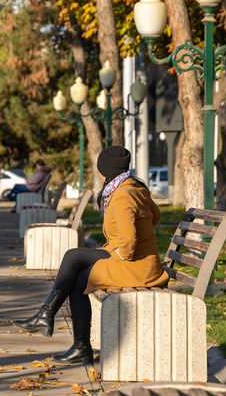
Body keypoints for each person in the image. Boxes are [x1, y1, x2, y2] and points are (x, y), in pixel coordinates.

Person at [12, 146, 168, 364]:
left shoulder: (123, 196)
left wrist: (119, 249)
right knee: (73, 257)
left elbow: (129, 246)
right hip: (139, 261)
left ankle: (74, 339)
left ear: (105, 170)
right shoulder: (133, 187)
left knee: (79, 280)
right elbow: (156, 217)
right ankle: (48, 317)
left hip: (135, 266)